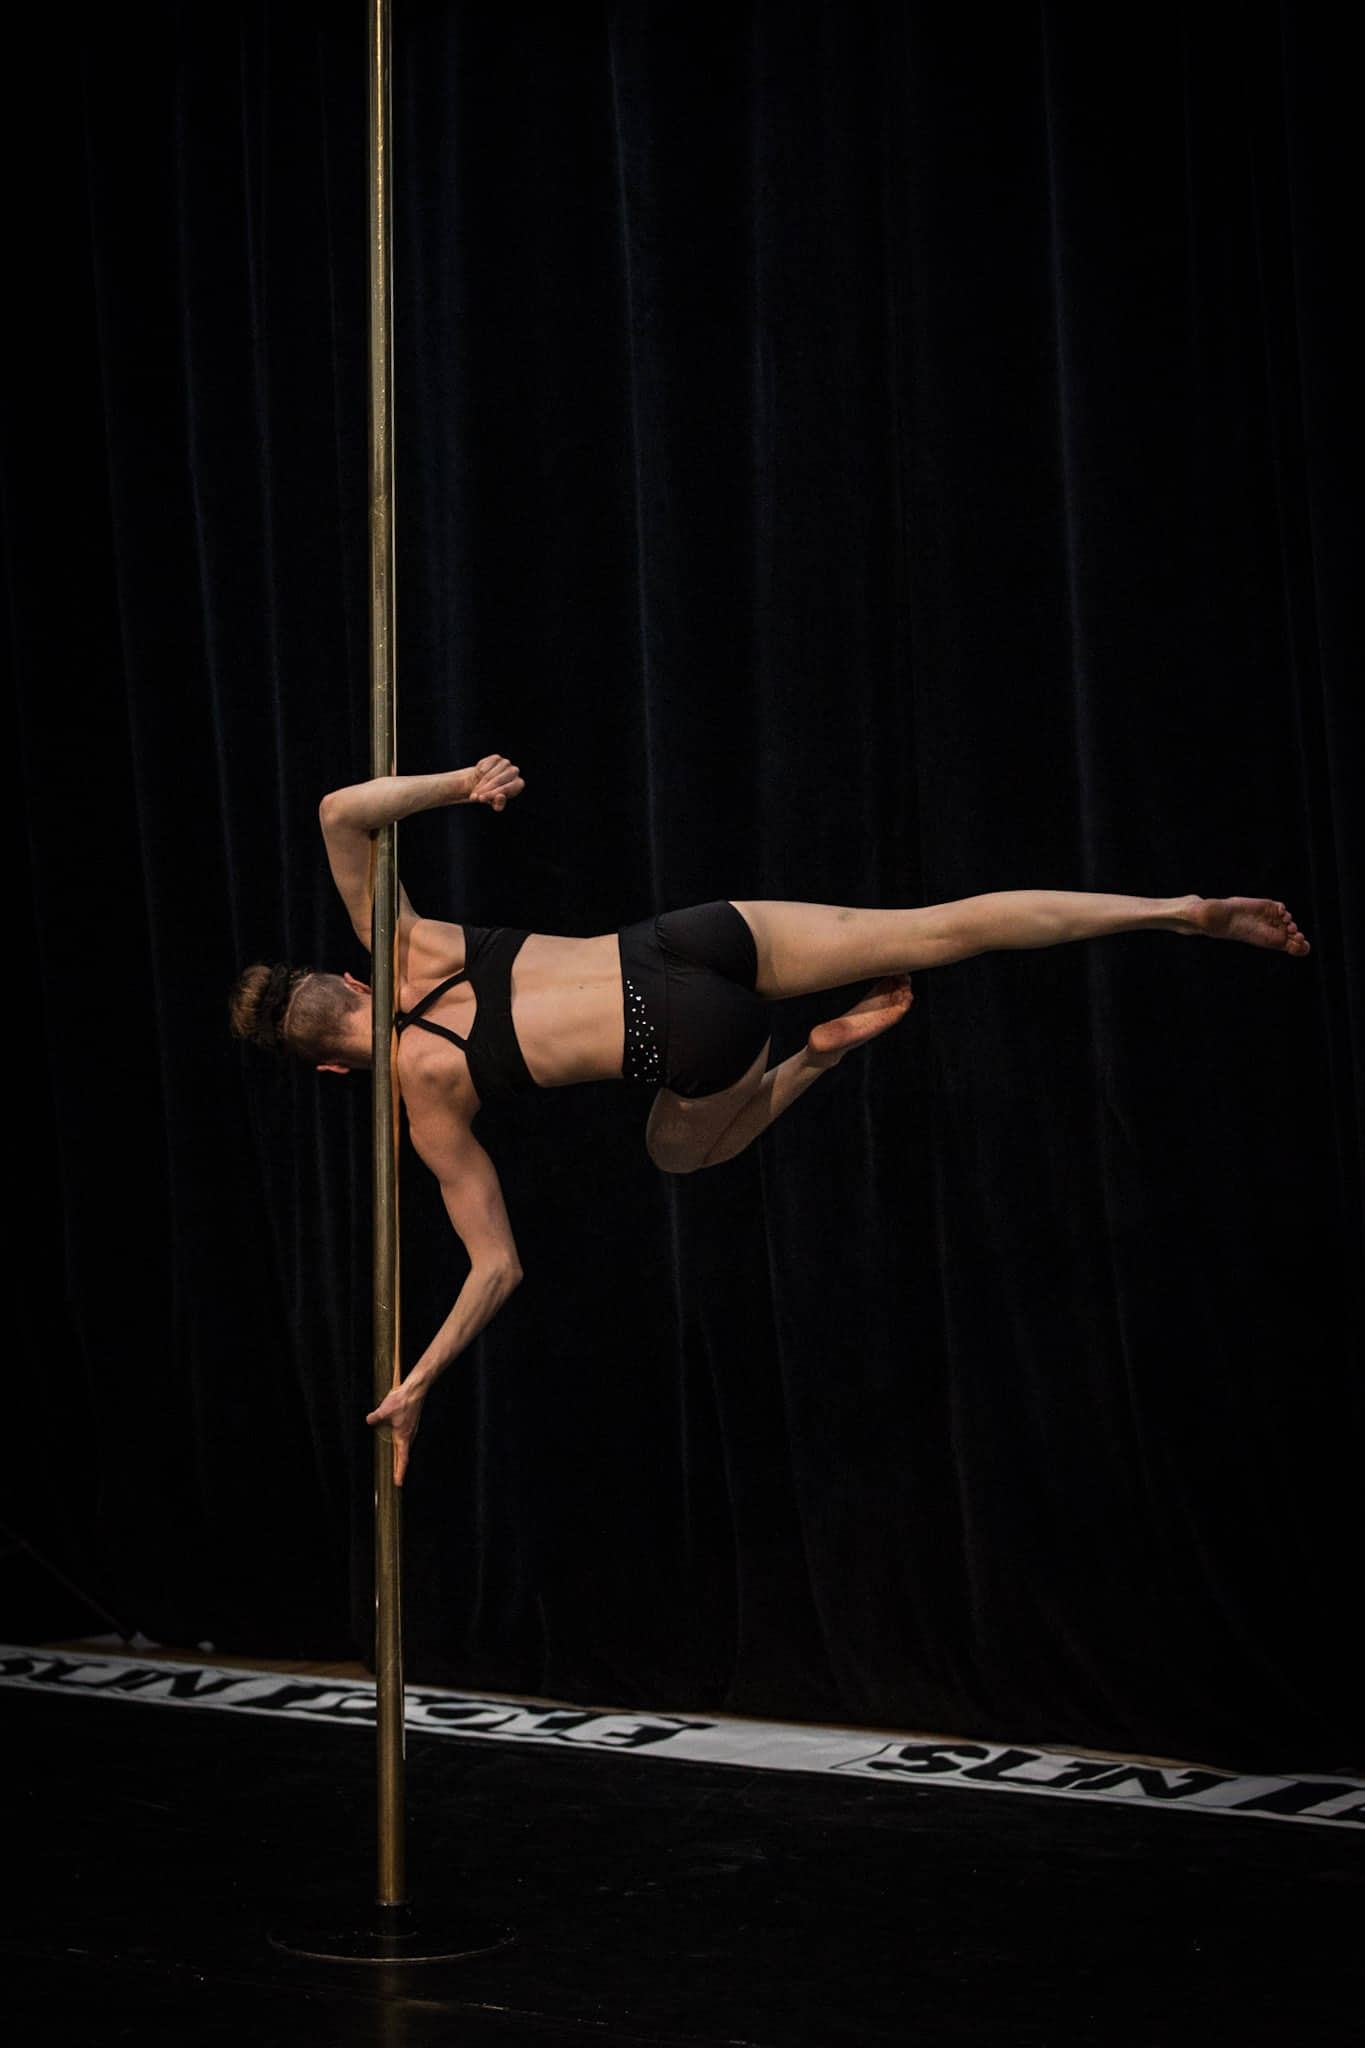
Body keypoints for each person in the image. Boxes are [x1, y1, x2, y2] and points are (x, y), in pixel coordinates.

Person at [229, 755, 1311, 1482]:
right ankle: (1177, 911)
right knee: (941, 926)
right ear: (352, 983)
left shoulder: (427, 1093)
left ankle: (810, 1060)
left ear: (330, 1069)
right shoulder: (401, 941)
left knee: (675, 1152)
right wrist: (463, 783)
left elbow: (498, 1266)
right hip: (685, 939)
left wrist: (419, 1380)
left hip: (687, 1039)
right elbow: (339, 812)